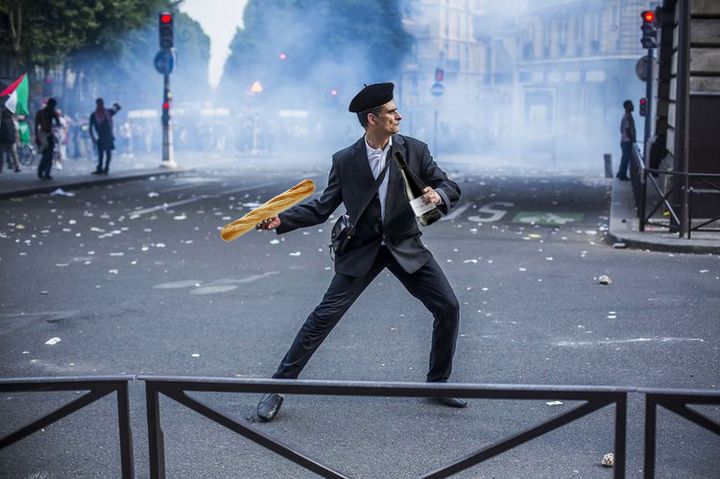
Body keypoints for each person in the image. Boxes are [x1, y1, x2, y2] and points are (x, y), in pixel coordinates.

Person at [254, 83, 464, 422]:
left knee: (448, 307)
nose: (399, 115)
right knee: (322, 318)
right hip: (362, 249)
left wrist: (439, 195)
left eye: (396, 110)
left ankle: (437, 384)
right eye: (391, 112)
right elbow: (323, 207)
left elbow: (449, 185)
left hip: (404, 245)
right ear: (372, 119)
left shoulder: (415, 150)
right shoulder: (346, 160)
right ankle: (277, 388)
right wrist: (282, 219)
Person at [89, 98, 121, 174]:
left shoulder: (108, 112)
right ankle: (100, 168)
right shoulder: (94, 115)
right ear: (97, 104)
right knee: (100, 154)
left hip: (108, 135)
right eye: (100, 103)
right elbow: (90, 127)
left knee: (108, 153)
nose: (101, 105)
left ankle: (106, 168)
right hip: (100, 136)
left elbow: (118, 108)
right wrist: (93, 137)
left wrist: (115, 105)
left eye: (102, 103)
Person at [34, 97, 60, 180]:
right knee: (48, 155)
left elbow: (36, 126)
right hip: (45, 135)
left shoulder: (41, 112)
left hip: (44, 135)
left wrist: (37, 136)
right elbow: (58, 123)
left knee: (47, 155)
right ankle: (44, 172)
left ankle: (43, 172)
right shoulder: (49, 112)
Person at [617, 99, 636, 181]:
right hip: (627, 141)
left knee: (624, 158)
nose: (633, 106)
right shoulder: (628, 116)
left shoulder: (626, 115)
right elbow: (627, 129)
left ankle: (620, 173)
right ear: (627, 107)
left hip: (624, 140)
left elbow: (621, 129)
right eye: (631, 105)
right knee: (625, 158)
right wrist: (632, 139)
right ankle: (622, 175)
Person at [0, 108, 21, 173]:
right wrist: (18, 141)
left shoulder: (1, 122)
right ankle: (17, 166)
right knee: (14, 154)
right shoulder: (13, 121)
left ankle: (1, 167)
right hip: (11, 140)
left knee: (1, 155)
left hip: (2, 140)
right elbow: (16, 132)